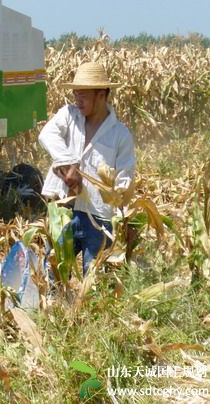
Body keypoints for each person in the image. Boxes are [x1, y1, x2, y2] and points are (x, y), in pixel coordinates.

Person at [39, 62, 136, 276]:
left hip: (99, 219)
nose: (77, 101)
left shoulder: (120, 135)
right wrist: (68, 163)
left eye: (83, 96)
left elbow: (124, 179)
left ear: (101, 95)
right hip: (64, 211)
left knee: (94, 282)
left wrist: (125, 218)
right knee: (53, 275)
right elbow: (46, 135)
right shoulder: (68, 116)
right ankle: (57, 309)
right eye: (75, 95)